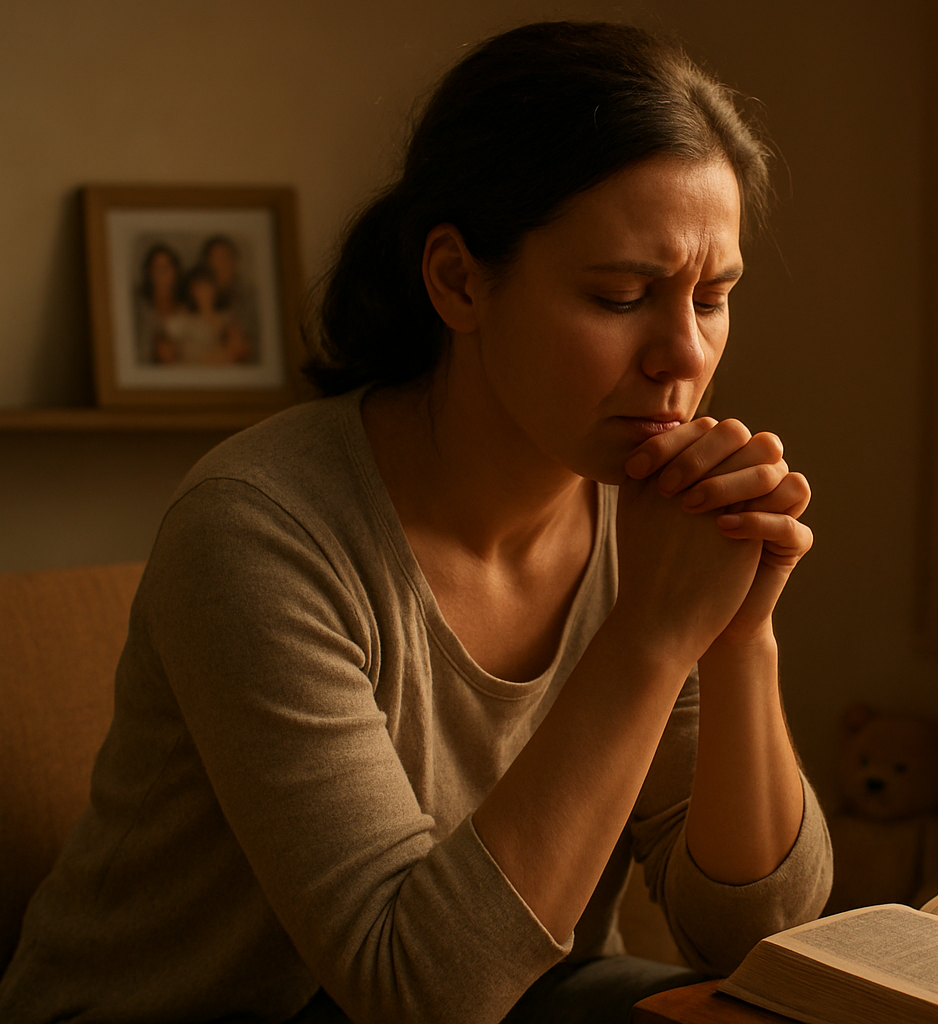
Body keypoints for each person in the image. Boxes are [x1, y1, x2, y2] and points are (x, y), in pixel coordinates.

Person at [0, 21, 831, 1024]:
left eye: (714, 297)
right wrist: (652, 635)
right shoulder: (258, 531)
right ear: (457, 280)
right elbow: (417, 995)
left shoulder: (646, 520)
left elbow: (760, 936)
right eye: (621, 296)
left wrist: (738, 637)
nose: (684, 355)